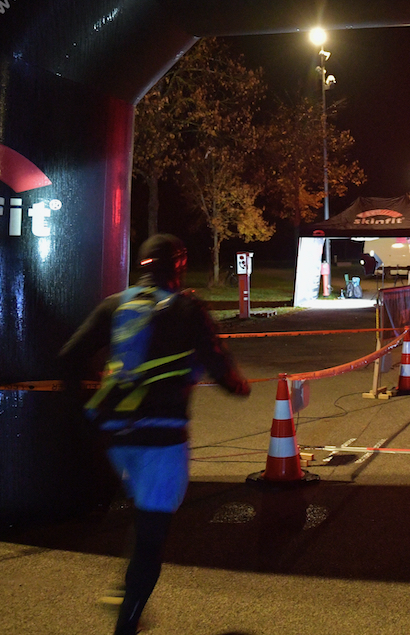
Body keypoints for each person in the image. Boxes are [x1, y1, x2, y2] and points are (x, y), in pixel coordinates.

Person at [60, 234, 250, 635]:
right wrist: (239, 386)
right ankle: (127, 621)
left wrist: (82, 412)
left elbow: (69, 357)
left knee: (144, 516)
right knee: (152, 536)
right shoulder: (188, 308)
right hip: (162, 442)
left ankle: (127, 589)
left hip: (115, 437)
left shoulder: (115, 304)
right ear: (178, 267)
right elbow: (221, 371)